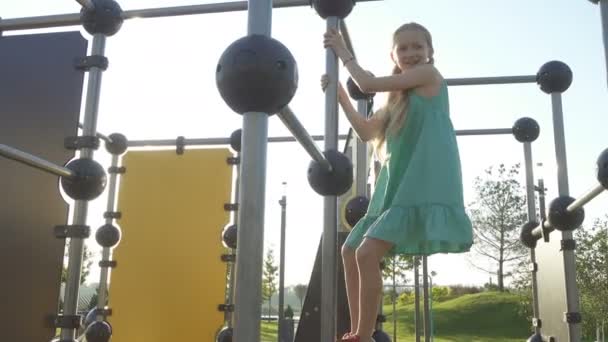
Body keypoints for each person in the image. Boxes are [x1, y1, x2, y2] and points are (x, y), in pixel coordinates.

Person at [321, 22, 473, 342]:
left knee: (365, 254)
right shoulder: (395, 97)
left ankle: (362, 334)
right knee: (350, 251)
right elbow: (365, 131)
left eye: (418, 47)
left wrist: (342, 51)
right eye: (403, 48)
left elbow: (365, 82)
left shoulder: (429, 77)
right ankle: (356, 330)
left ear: (430, 53)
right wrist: (341, 100)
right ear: (393, 53)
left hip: (425, 177)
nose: (411, 53)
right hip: (398, 181)